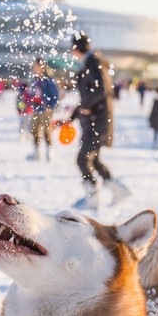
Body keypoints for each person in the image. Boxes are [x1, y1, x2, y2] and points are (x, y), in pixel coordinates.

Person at [58, 32, 131, 210]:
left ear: (76, 49)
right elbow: (86, 98)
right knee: (94, 159)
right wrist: (70, 119)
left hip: (98, 122)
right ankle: (118, 190)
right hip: (94, 121)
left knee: (83, 159)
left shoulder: (95, 64)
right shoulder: (90, 63)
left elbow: (103, 90)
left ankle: (92, 197)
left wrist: (87, 106)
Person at [27, 57, 60, 161]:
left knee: (46, 130)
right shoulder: (35, 80)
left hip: (46, 109)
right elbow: (33, 93)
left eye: (36, 66)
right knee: (34, 130)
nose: (34, 69)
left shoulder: (48, 80)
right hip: (36, 108)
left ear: (42, 67)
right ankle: (36, 152)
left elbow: (55, 95)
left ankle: (49, 152)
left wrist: (50, 106)